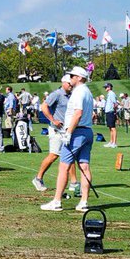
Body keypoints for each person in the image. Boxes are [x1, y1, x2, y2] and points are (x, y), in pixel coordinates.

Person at [41, 67, 94, 213]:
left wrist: (69, 132)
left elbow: (77, 113)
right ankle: (84, 202)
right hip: (87, 131)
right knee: (84, 166)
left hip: (76, 132)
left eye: (72, 76)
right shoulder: (88, 92)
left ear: (79, 77)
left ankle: (57, 201)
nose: (70, 78)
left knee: (64, 166)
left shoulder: (78, 92)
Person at [32, 73, 78, 196]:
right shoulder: (57, 94)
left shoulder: (72, 95)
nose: (71, 85)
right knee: (53, 156)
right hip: (56, 130)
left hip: (66, 130)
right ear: (63, 83)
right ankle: (38, 178)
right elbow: (44, 106)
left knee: (70, 155)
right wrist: (53, 120)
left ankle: (74, 183)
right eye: (69, 83)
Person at [103, 82, 118, 147]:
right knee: (110, 128)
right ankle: (111, 142)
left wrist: (114, 111)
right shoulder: (109, 94)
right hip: (108, 112)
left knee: (113, 128)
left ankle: (114, 143)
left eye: (106, 87)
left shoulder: (112, 93)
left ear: (109, 87)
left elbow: (115, 103)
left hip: (111, 112)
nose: (105, 88)